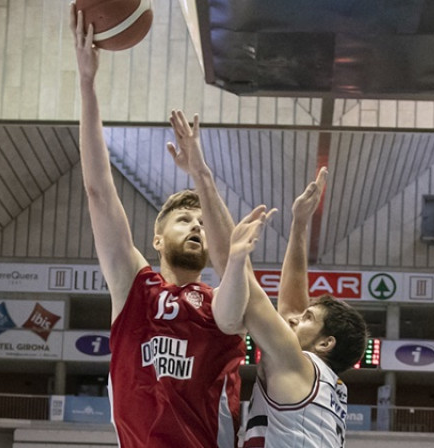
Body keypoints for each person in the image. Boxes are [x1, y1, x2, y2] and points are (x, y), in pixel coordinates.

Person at [70, 5, 249, 447]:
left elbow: (232, 287)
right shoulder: (133, 287)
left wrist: (202, 176)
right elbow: (98, 191)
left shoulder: (218, 304)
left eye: (203, 224)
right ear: (156, 238)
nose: (196, 226)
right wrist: (87, 85)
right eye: (185, 219)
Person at [167, 110, 368, 447]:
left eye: (307, 319)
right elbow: (292, 304)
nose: (293, 317)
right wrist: (299, 225)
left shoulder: (296, 363)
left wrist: (202, 176)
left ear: (325, 342)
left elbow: (243, 280)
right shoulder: (324, 382)